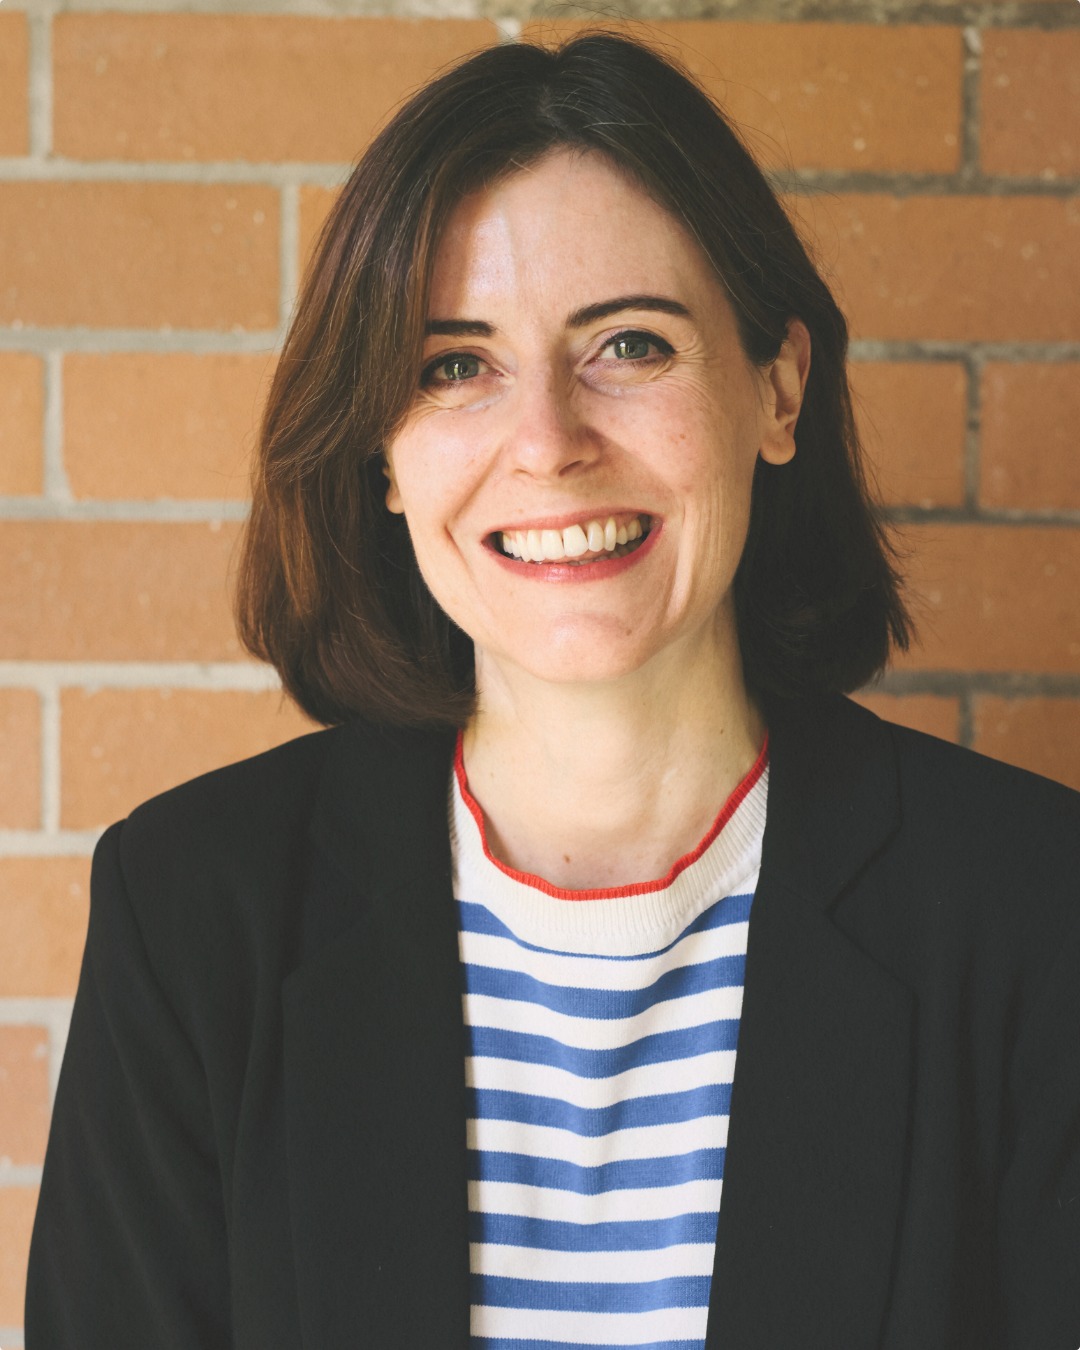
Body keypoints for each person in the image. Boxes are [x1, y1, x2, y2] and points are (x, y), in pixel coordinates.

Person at [26, 32, 1080, 1350]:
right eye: (454, 365)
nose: (548, 444)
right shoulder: (193, 916)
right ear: (384, 452)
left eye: (629, 344)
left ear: (779, 386)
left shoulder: (1037, 908)